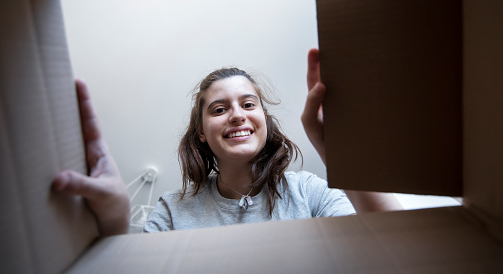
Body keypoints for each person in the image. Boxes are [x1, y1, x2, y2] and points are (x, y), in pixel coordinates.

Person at [53, 48, 401, 236]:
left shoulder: (309, 192)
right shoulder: (172, 212)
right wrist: (113, 227)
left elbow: (395, 244)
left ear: (263, 120)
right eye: (219, 109)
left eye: (249, 105)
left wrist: (345, 155)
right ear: (201, 132)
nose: (237, 115)